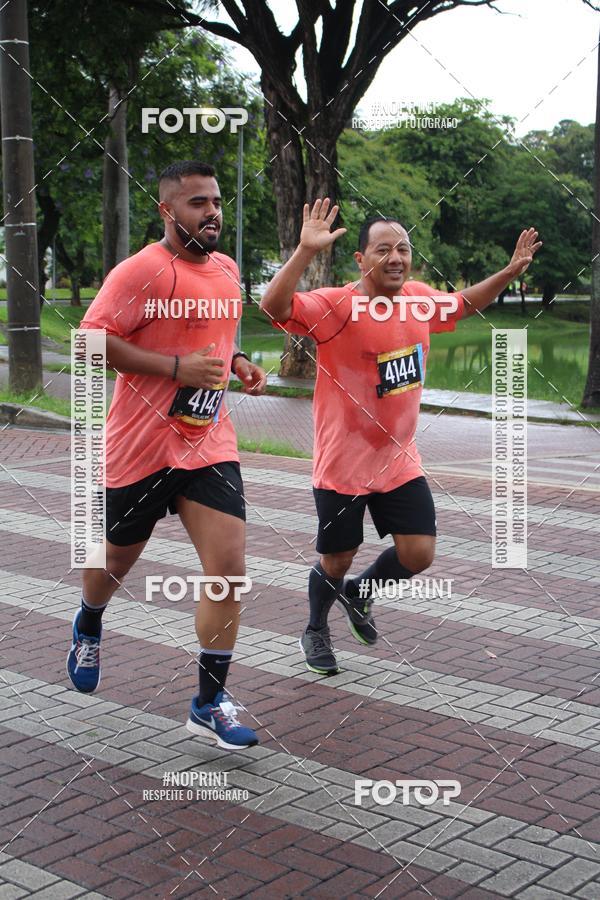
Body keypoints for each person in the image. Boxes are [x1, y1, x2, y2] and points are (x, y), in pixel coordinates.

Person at [261, 199, 541, 674]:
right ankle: (315, 627)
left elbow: (466, 303)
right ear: (361, 259)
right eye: (383, 249)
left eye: (404, 249)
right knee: (336, 559)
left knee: (419, 553)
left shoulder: (418, 298)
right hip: (342, 465)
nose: (395, 258)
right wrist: (305, 251)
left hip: (397, 460)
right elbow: (273, 307)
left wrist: (511, 271)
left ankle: (360, 594)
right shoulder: (337, 305)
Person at [67, 160, 267, 749]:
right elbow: (89, 341)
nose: (212, 213)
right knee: (115, 565)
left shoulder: (227, 270)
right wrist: (176, 368)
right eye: (197, 203)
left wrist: (237, 364)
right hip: (141, 447)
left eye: (215, 202)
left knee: (229, 570)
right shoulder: (141, 272)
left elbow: (217, 339)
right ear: (167, 211)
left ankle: (208, 701)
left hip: (207, 442)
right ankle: (89, 621)